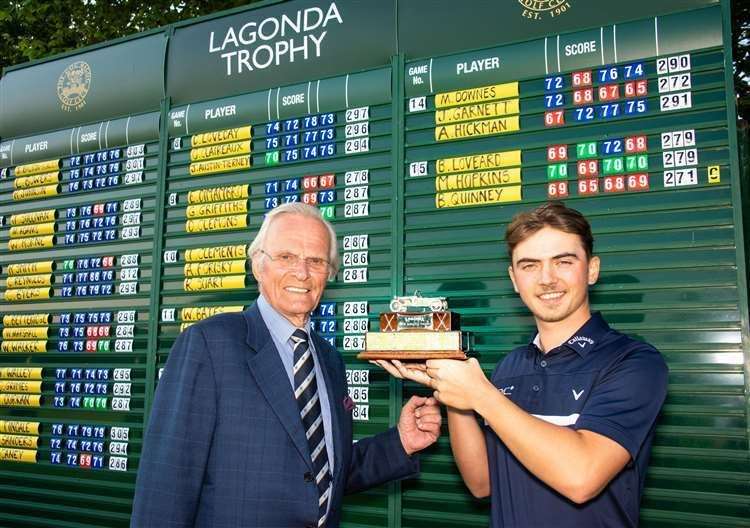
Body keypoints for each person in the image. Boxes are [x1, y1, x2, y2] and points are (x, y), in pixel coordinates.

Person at [131, 203, 441, 528]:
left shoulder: (330, 361)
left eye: (316, 261)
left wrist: (401, 442)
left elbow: (316, 475)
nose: (302, 273)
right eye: (286, 257)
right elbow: (166, 484)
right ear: (257, 266)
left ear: (330, 273)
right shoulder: (209, 344)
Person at [375, 201, 668, 527]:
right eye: (530, 265)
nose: (547, 279)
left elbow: (582, 476)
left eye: (563, 261)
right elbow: (482, 482)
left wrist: (481, 395)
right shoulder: (509, 366)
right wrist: (454, 394)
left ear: (592, 269)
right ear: (514, 279)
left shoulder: (634, 362)